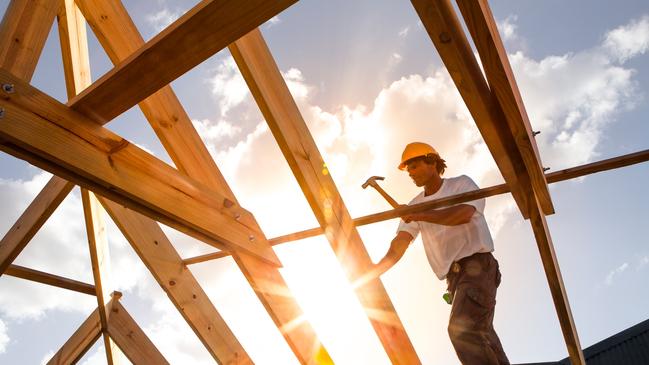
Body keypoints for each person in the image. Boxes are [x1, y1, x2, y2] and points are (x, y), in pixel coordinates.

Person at [371, 142, 509, 365]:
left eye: (414, 166)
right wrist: (374, 270)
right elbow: (400, 243)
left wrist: (419, 214)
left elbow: (462, 214)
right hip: (455, 281)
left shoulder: (460, 185)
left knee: (462, 330)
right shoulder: (415, 206)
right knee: (483, 334)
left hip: (478, 267)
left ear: (432, 162)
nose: (410, 174)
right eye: (408, 170)